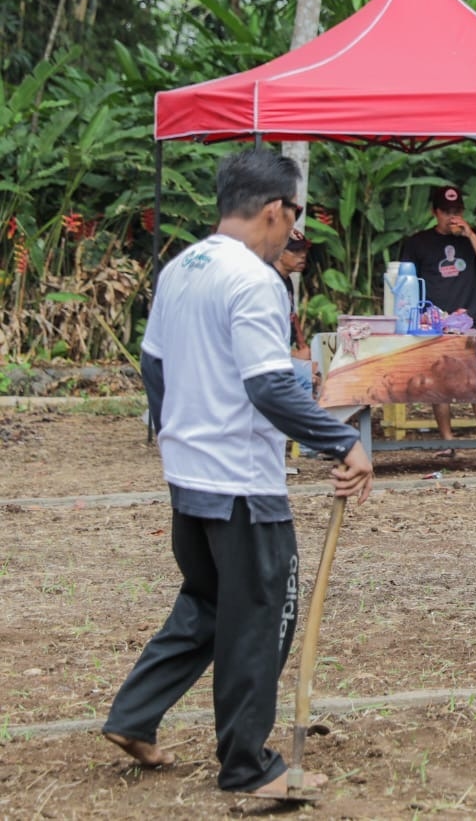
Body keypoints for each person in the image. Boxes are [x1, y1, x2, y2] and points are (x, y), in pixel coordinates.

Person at [101, 149, 374, 800]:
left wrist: (179, 433)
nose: (293, 231)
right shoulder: (256, 282)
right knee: (261, 613)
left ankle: (133, 715)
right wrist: (342, 440)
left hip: (190, 472)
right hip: (243, 483)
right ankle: (249, 767)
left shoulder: (181, 269)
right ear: (275, 209)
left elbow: (155, 367)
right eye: (296, 217)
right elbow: (271, 386)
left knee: (207, 600)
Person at [400, 184, 476, 461]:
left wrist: (469, 234)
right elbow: (405, 283)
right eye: (446, 211)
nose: (451, 216)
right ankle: (447, 441)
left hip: (469, 320)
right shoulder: (418, 243)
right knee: (440, 383)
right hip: (434, 322)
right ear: (435, 212)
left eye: (456, 210)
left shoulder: (471, 240)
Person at [273, 228, 317, 394]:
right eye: (296, 251)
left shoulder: (286, 280)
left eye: (304, 250)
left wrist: (302, 346)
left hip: (283, 352)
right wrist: (294, 356)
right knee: (308, 378)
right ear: (278, 252)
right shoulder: (269, 282)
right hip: (271, 356)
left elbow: (293, 315)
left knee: (318, 368)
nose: (303, 255)